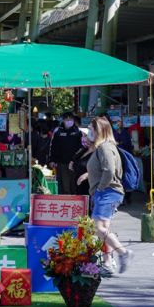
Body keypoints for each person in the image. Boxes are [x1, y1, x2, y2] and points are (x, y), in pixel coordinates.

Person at [82, 117, 130, 274]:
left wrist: (100, 189)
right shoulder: (102, 147)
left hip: (108, 193)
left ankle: (123, 252)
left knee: (99, 228)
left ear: (99, 130)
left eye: (92, 129)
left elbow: (109, 171)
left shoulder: (105, 147)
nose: (89, 132)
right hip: (107, 192)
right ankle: (108, 263)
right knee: (104, 229)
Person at [50, 115, 84, 195]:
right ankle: (66, 200)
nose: (69, 121)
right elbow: (53, 146)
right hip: (62, 163)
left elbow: (82, 147)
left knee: (74, 184)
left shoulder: (78, 131)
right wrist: (52, 160)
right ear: (63, 120)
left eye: (70, 119)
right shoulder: (58, 131)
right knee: (64, 185)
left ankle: (75, 200)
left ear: (73, 120)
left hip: (75, 163)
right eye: (66, 119)